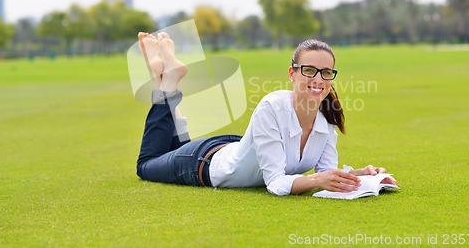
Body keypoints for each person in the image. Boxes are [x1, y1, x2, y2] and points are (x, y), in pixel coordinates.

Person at [136, 32, 397, 196]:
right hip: (202, 163)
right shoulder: (272, 106)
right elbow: (275, 183)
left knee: (174, 146)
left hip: (231, 147)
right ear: (292, 73)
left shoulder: (326, 118)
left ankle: (164, 79)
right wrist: (318, 180)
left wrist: (359, 175)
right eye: (309, 70)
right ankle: (168, 80)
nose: (318, 78)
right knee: (147, 163)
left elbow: (325, 173)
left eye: (326, 72)